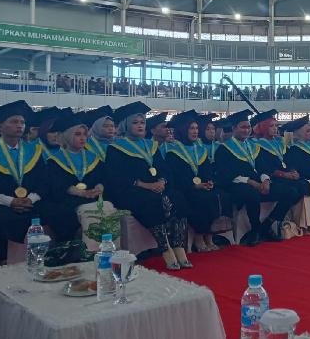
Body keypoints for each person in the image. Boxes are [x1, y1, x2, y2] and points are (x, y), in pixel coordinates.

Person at [104, 102, 191, 270]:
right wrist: (146, 185)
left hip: (157, 187)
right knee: (152, 201)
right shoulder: (115, 148)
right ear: (126, 125)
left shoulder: (151, 145)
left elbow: (165, 169)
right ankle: (165, 249)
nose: (140, 126)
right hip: (132, 191)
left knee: (178, 197)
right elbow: (117, 177)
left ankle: (179, 245)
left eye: (142, 122)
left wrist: (162, 181)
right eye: (135, 122)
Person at [0, 100, 49, 265]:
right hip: (0, 204)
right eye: (14, 121)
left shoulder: (34, 151)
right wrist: (10, 201)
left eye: (22, 122)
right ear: (0, 127)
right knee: (1, 218)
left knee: (49, 212)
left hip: (30, 202)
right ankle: (4, 261)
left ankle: (43, 258)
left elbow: (44, 181)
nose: (19, 126)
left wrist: (31, 199)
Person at [214, 110, 303, 246]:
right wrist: (251, 182)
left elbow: (263, 167)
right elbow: (227, 175)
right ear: (234, 128)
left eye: (248, 127)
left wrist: (265, 180)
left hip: (259, 183)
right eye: (242, 127)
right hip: (236, 185)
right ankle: (255, 229)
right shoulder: (224, 149)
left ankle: (267, 225)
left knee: (291, 191)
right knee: (252, 194)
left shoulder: (254, 146)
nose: (246, 130)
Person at [45, 112, 113, 250]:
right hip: (68, 200)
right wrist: (82, 193)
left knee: (108, 205)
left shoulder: (93, 157)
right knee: (64, 212)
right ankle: (83, 249)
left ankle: (107, 248)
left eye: (84, 134)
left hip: (93, 196)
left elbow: (102, 178)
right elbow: (58, 186)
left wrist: (99, 188)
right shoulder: (55, 160)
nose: (83, 138)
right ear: (67, 135)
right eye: (77, 134)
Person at [166, 110, 228, 252]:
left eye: (196, 128)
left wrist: (209, 182)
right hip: (184, 189)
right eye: (191, 128)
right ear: (182, 130)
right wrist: (194, 186)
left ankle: (209, 235)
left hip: (201, 186)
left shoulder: (199, 149)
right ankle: (199, 237)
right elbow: (176, 177)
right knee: (200, 198)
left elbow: (207, 170)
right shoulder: (173, 151)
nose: (195, 131)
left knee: (217, 194)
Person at [251, 110, 310, 234]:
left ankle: (300, 223)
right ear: (264, 127)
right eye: (271, 126)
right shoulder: (256, 145)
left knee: (304, 185)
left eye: (276, 126)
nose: (275, 128)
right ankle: (271, 221)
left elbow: (288, 160)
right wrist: (283, 174)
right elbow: (262, 167)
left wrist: (293, 171)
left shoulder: (279, 143)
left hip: (285, 176)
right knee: (292, 190)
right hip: (271, 177)